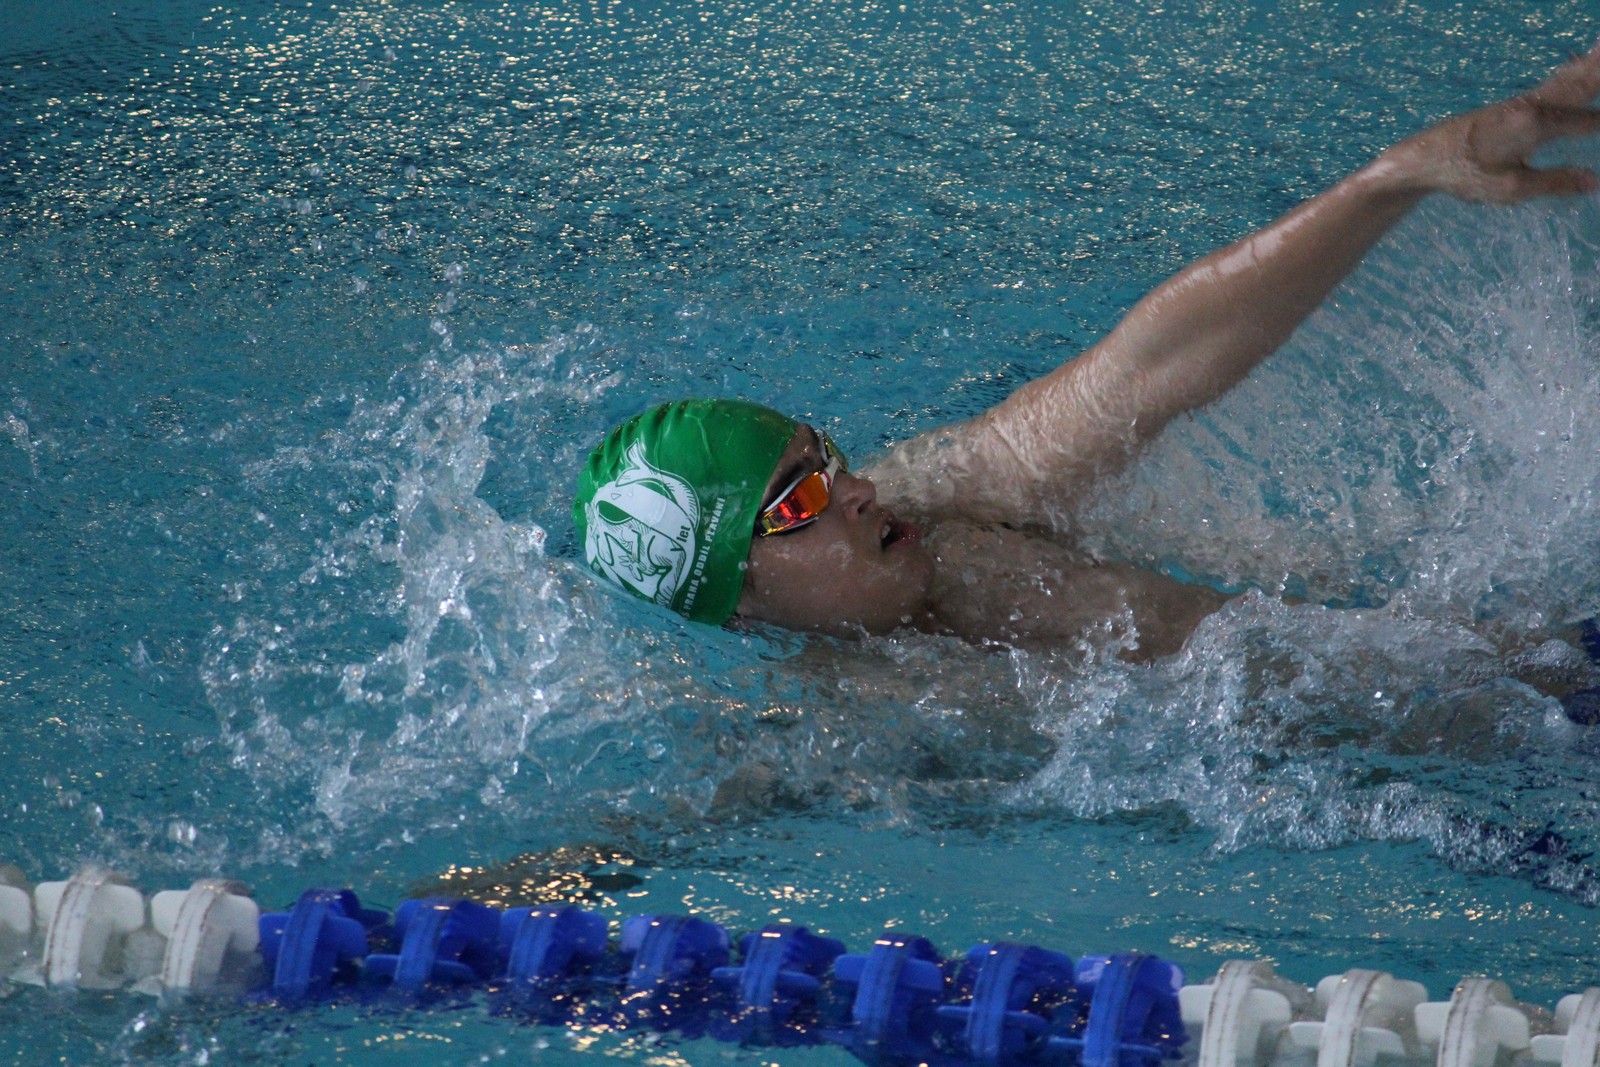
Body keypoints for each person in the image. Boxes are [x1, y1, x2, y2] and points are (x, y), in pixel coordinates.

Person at [574, 42, 1600, 660]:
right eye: (799, 498)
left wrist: (1391, 180)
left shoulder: (945, 497)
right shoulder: (849, 732)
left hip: (1512, 672)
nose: (856, 489)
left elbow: (1150, 363)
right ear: (738, 599)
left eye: (826, 457)